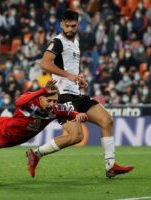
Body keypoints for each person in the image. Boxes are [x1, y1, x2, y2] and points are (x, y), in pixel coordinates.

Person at [27, 9, 134, 178]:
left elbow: (71, 69)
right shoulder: (57, 42)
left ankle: (111, 166)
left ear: (78, 24)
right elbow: (45, 64)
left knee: (107, 120)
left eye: (74, 25)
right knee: (76, 136)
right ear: (61, 24)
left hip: (76, 93)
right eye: (67, 25)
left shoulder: (76, 43)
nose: (70, 29)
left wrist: (79, 79)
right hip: (62, 96)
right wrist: (69, 76)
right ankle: (36, 154)